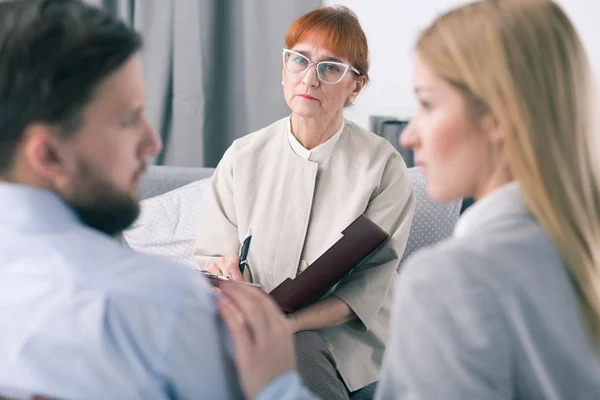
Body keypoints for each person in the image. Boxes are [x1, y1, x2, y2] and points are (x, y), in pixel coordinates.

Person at [216, 0, 600, 399]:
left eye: (428, 104)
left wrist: (274, 377)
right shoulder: (579, 256)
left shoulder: (449, 281)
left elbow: (369, 290)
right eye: (299, 60)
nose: (409, 135)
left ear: (498, 116)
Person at [0, 0, 251, 398]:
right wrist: (277, 387)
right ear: (48, 155)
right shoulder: (161, 304)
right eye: (129, 119)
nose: (153, 142)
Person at [193, 6, 415, 399]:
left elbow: (365, 291)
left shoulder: (383, 167)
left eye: (330, 68)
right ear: (284, 69)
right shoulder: (243, 157)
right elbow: (212, 258)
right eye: (300, 60)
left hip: (350, 344)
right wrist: (225, 273)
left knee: (298, 351)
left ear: (356, 86)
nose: (309, 78)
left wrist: (285, 327)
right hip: (255, 329)